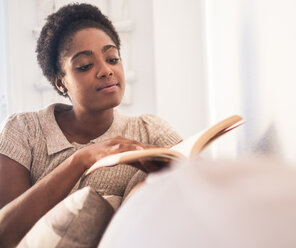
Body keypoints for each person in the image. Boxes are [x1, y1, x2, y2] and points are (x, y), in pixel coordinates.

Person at [0, 3, 181, 247]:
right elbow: (5, 234)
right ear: (61, 82)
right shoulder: (23, 130)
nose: (106, 71)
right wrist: (81, 159)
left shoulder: (150, 130)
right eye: (85, 65)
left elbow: (203, 197)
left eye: (112, 58)